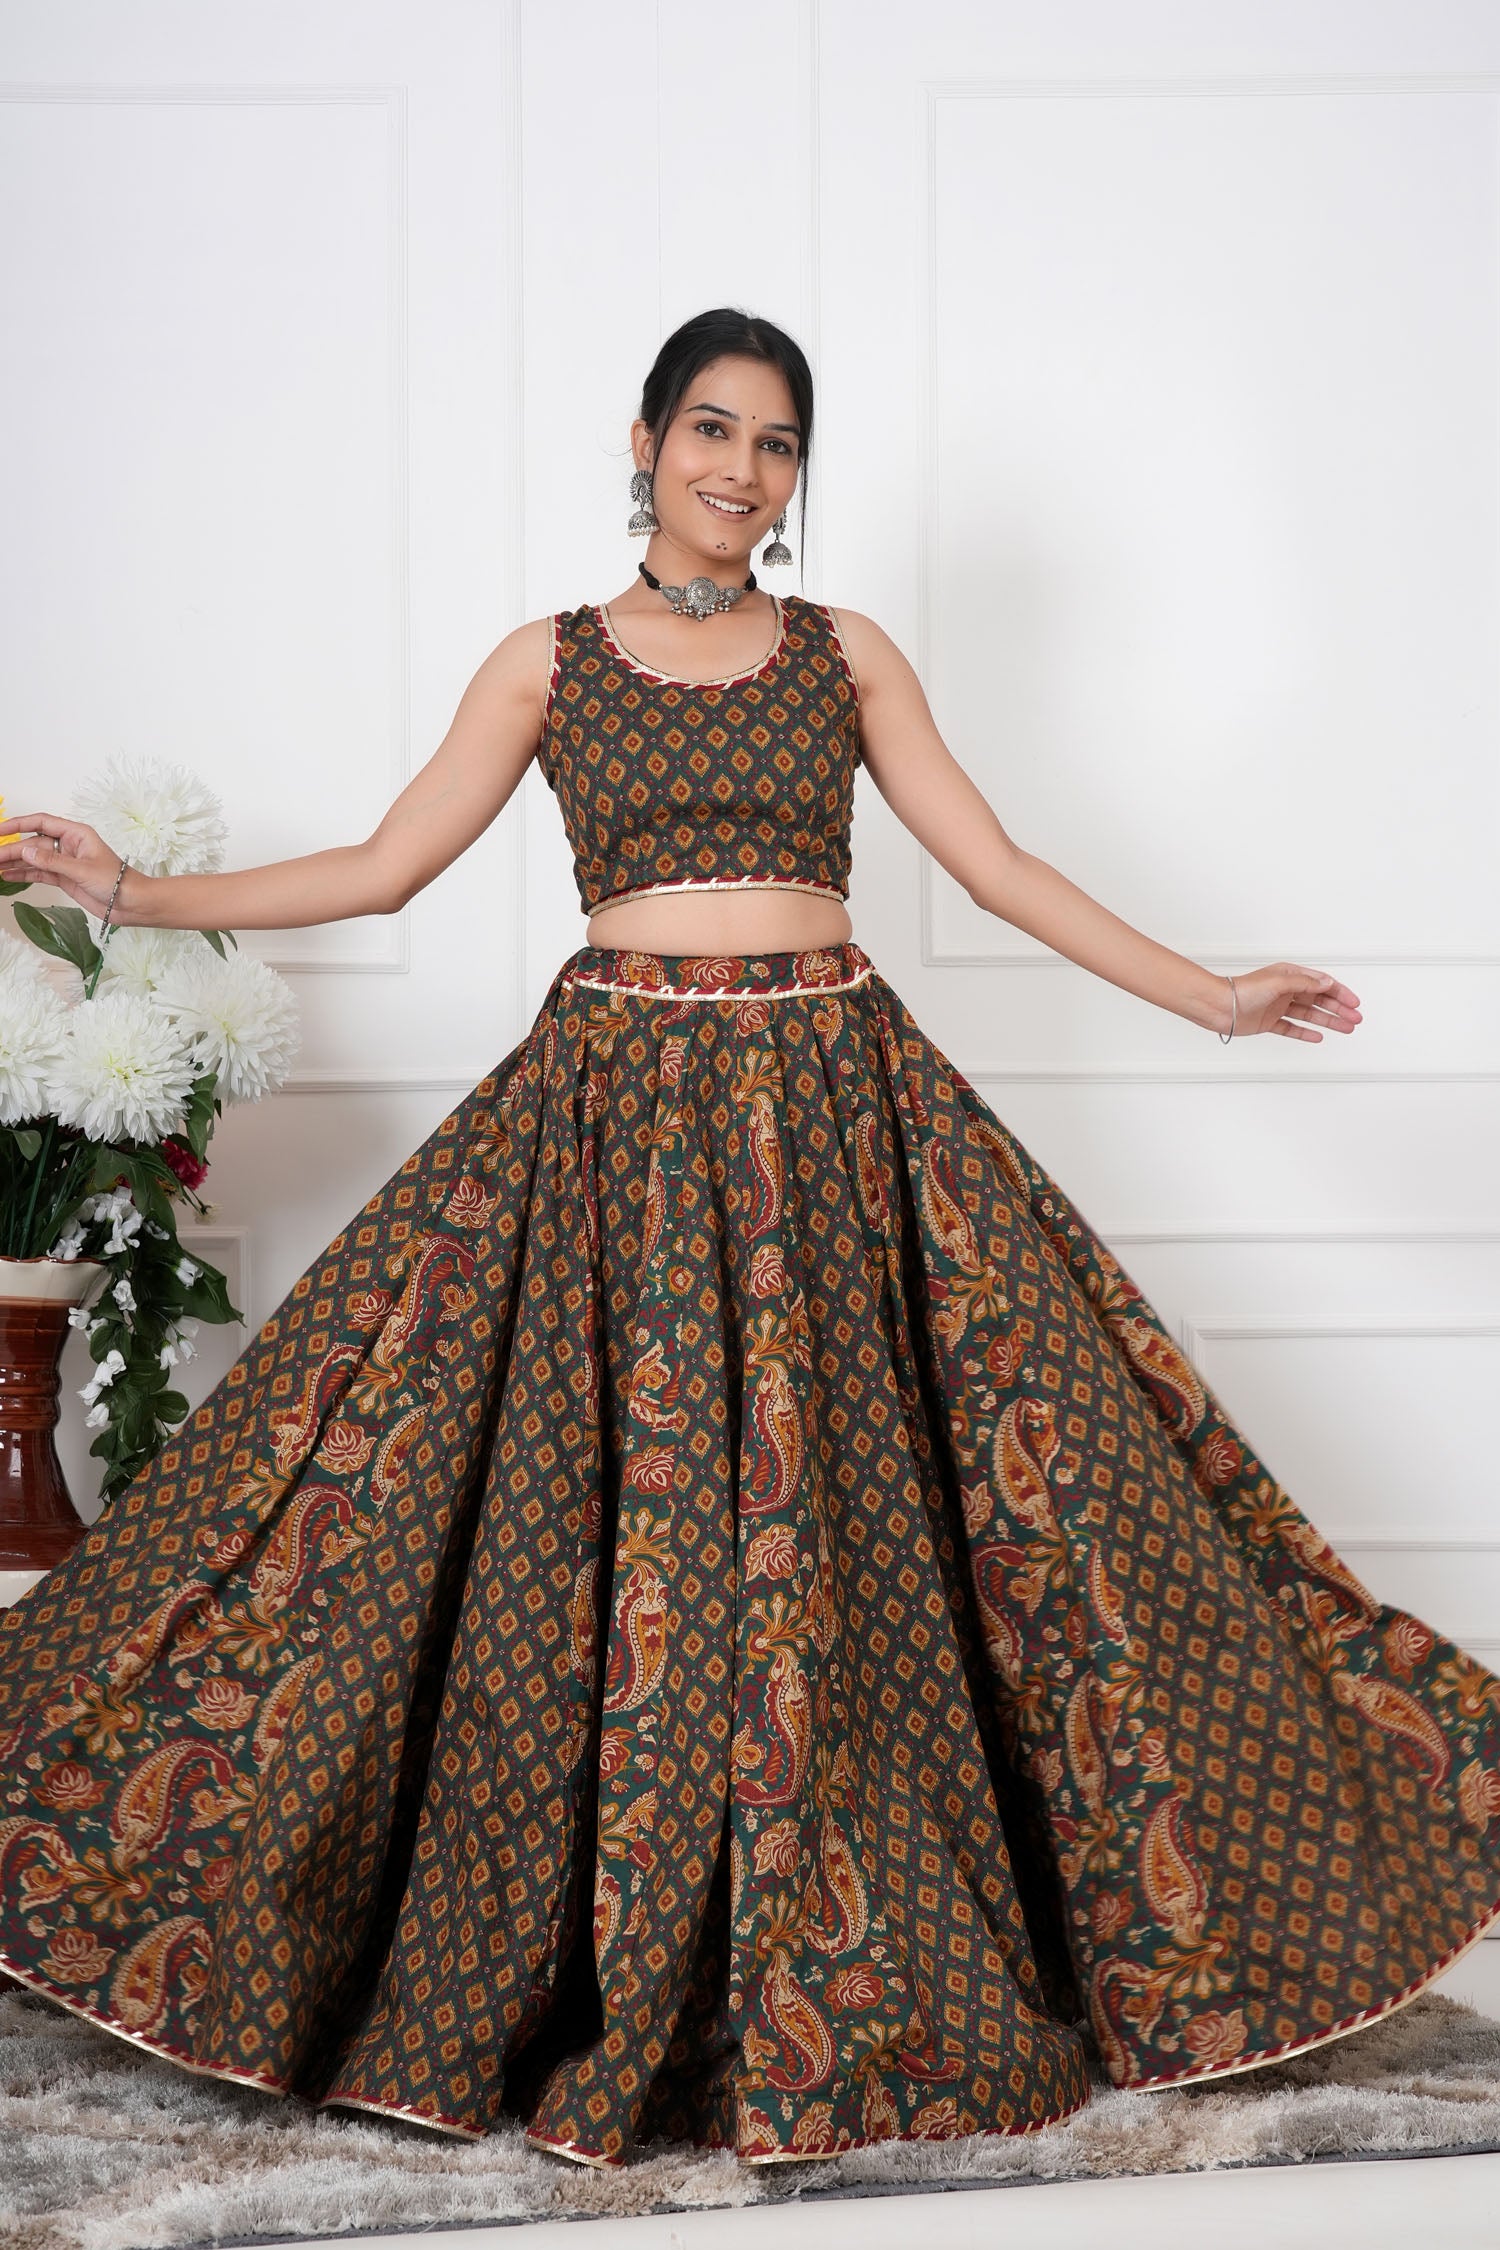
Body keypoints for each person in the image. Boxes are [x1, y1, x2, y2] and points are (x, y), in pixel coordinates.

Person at [0, 306, 1496, 2172]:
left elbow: (999, 866)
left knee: (989, 1520)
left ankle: (866, 1950)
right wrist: (134, 893)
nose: (742, 469)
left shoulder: (844, 652)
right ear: (645, 443)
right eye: (711, 430)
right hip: (613, 1126)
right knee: (490, 1534)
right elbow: (385, 866)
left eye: (777, 442)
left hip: (836, 1115)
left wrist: (1214, 995)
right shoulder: (546, 662)